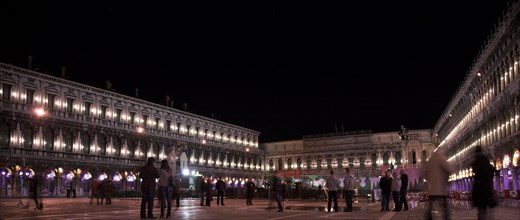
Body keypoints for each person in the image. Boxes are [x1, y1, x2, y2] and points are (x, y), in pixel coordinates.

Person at [424, 148, 453, 220]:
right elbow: (450, 169)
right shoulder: (441, 159)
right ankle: (446, 218)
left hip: (432, 189)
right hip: (441, 188)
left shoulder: (430, 160)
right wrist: (446, 179)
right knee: (445, 207)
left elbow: (425, 174)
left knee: (431, 205)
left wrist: (430, 180)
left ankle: (428, 218)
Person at [471, 146, 496, 220]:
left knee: (481, 207)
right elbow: (492, 171)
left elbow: (475, 171)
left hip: (478, 187)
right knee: (485, 206)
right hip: (486, 187)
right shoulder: (486, 161)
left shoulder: (475, 162)